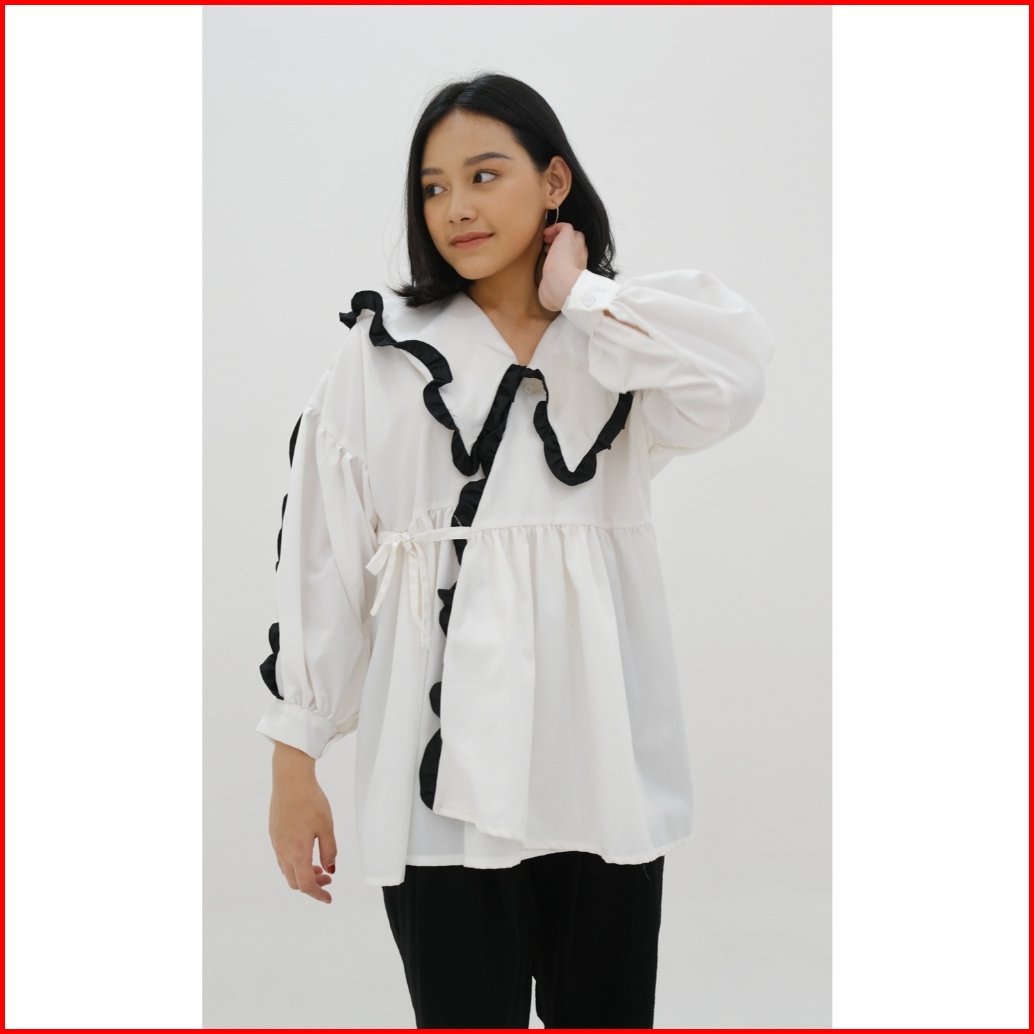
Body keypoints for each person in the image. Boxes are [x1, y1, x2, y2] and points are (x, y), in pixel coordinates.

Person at [255, 72, 775, 1029]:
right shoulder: (381, 357)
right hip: (443, 790)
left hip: (602, 770)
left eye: (484, 175)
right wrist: (297, 761)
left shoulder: (617, 342)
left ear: (553, 182)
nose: (456, 206)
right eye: (434, 187)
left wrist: (582, 296)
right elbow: (319, 562)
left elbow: (736, 378)